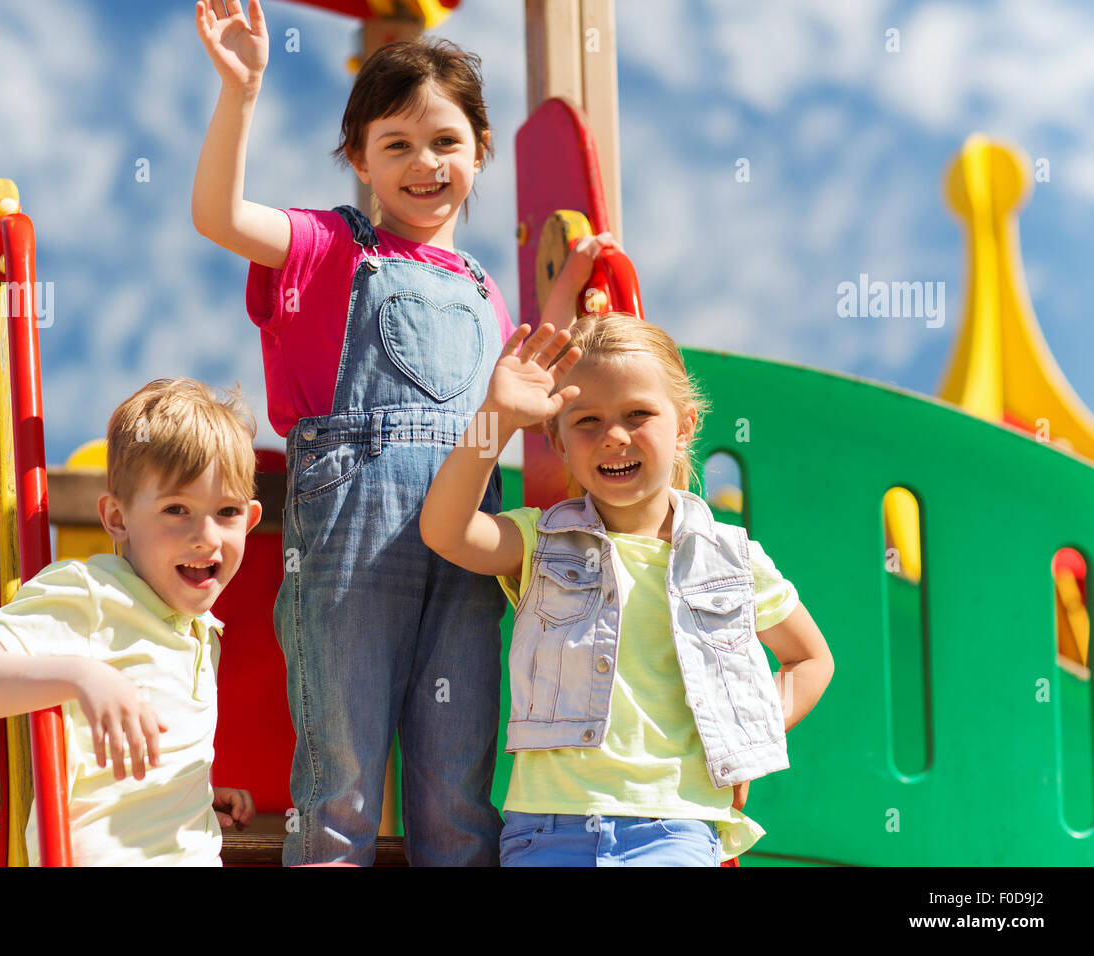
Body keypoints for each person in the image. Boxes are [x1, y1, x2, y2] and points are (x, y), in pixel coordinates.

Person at [191, 0, 613, 865]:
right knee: (341, 774)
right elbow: (219, 216)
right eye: (397, 145)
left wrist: (574, 294)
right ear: (360, 160)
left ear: (480, 151)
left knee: (457, 787)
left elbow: (535, 382)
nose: (425, 164)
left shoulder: (487, 292)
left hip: (463, 552)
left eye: (446, 141)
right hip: (350, 545)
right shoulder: (326, 248)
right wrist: (240, 92)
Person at [421, 314, 835, 866]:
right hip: (548, 827)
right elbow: (446, 530)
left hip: (676, 827)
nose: (614, 435)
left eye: (638, 413)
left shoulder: (731, 558)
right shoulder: (541, 541)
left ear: (685, 425)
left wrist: (740, 735)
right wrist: (494, 420)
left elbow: (811, 659)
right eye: (587, 420)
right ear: (559, 442)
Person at [0, 379, 262, 866]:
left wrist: (191, 793)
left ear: (250, 520)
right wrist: (82, 676)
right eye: (177, 509)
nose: (205, 537)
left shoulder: (199, 631)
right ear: (117, 517)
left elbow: (122, 776)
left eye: (227, 512)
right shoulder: (91, 593)